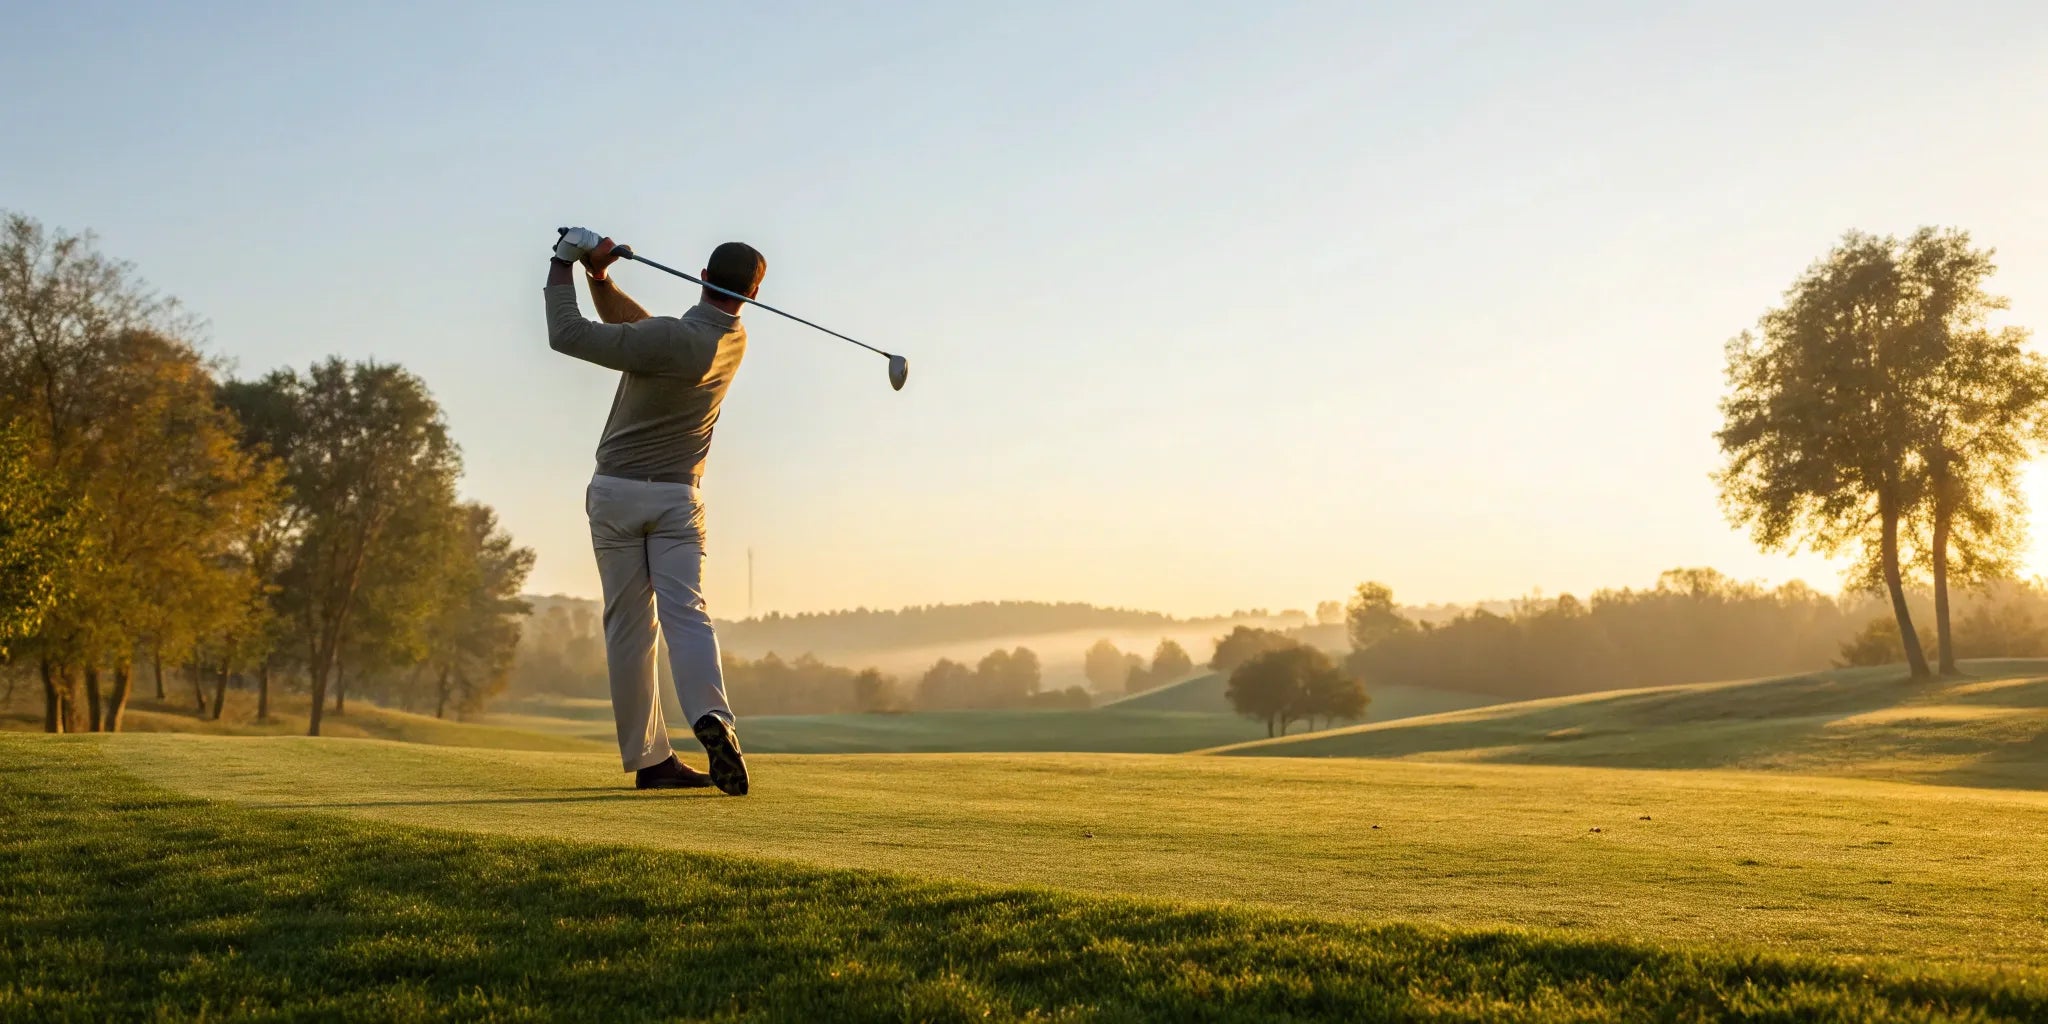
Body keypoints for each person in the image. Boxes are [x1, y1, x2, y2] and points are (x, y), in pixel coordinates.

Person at [543, 227, 764, 795]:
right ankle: (712, 718)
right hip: (678, 499)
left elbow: (565, 335)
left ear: (703, 277)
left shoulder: (668, 339)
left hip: (616, 493)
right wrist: (602, 279)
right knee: (687, 613)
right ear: (753, 297)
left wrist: (563, 262)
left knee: (629, 628)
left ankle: (650, 760)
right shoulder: (733, 342)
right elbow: (644, 332)